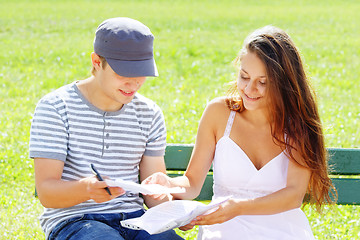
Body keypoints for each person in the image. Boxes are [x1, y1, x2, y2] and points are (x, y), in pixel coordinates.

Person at [143, 25, 335, 239]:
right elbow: (192, 182)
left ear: (284, 83)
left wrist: (239, 207)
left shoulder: (297, 126)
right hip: (225, 230)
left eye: (262, 82)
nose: (250, 89)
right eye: (244, 77)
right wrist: (169, 184)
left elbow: (293, 196)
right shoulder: (218, 113)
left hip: (283, 230)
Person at [29, 17, 183, 240]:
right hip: (76, 220)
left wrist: (176, 209)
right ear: (96, 62)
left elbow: (152, 196)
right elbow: (47, 193)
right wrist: (86, 189)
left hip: (137, 219)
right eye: (122, 74)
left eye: (140, 73)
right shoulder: (55, 107)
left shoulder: (149, 113)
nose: (134, 84)